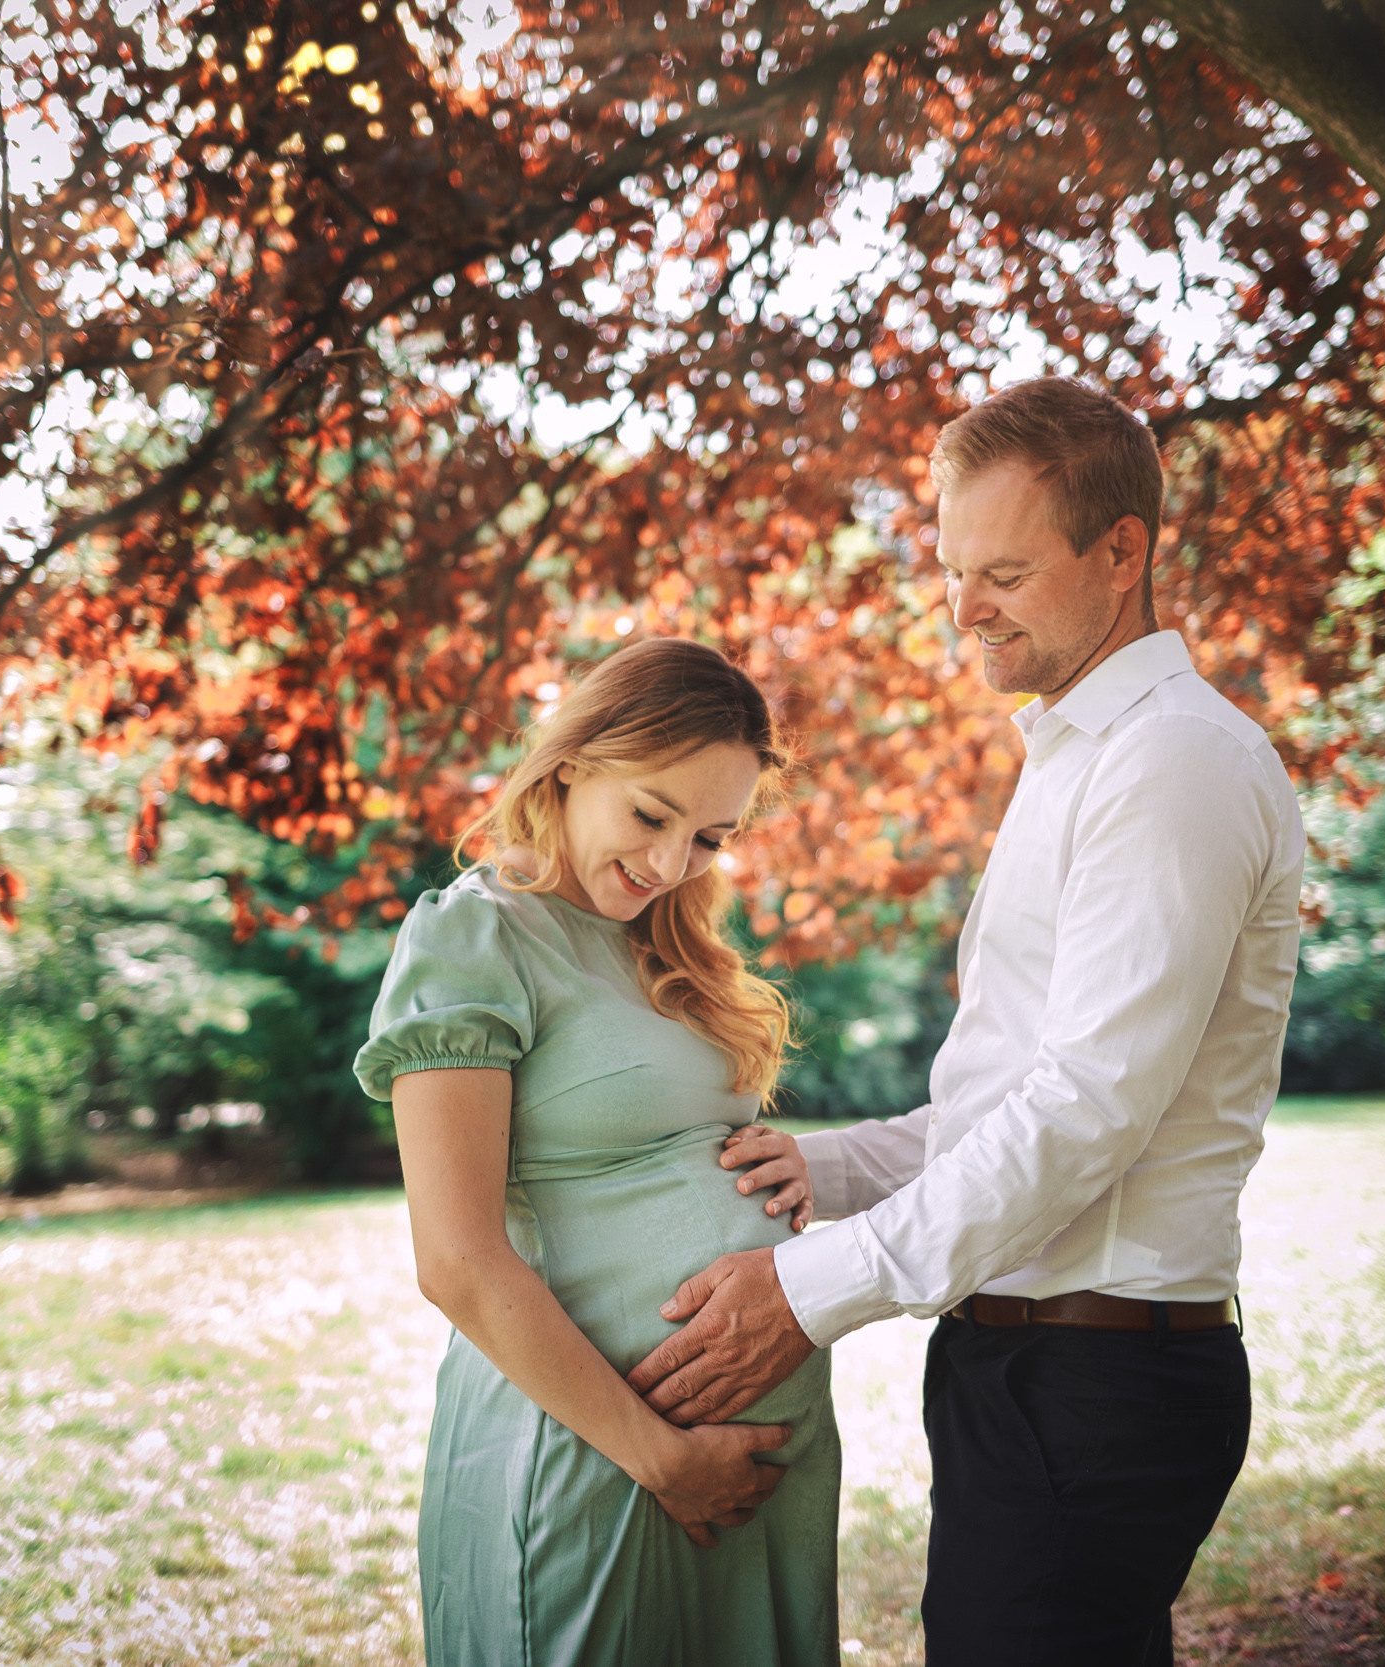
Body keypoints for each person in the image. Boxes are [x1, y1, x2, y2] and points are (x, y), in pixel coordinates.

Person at [627, 376, 1307, 1664]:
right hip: (1034, 1366)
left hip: (1093, 1379)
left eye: (1002, 570)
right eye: (951, 568)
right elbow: (1019, 1090)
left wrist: (808, 1289)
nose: (963, 607)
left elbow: (1089, 1108)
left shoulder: (1170, 761)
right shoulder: (1076, 754)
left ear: (1123, 553)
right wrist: (827, 1167)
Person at [352, 636, 839, 1667]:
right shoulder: (476, 937)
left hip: (745, 1473)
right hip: (597, 1455)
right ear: (572, 763)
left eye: (710, 836)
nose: (669, 862)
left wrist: (780, 1162)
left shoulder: (664, 947)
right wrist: (663, 1455)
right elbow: (457, 1259)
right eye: (651, 814)